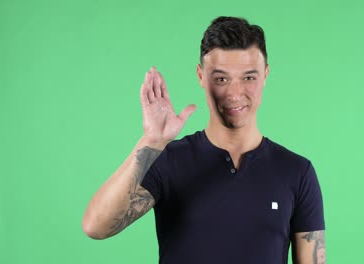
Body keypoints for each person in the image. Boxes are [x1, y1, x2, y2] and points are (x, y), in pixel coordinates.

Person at [82, 16, 326, 264]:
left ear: (265, 74)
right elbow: (96, 226)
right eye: (221, 79)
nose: (234, 93)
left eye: (248, 78)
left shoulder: (296, 172)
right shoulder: (167, 160)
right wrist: (152, 141)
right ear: (201, 76)